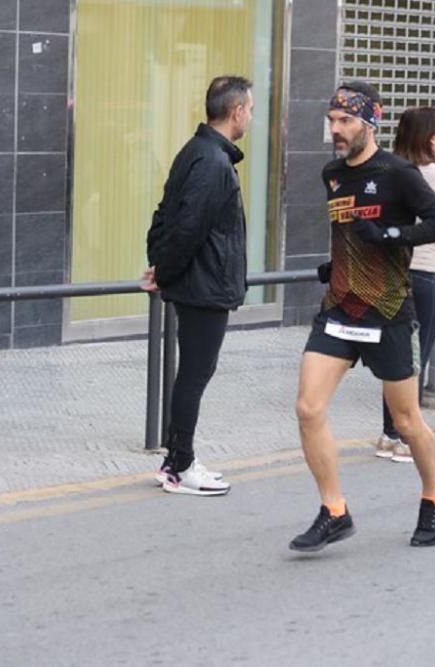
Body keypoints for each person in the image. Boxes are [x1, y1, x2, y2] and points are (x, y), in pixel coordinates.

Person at [290, 82, 435, 552]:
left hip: (387, 310)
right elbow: (345, 230)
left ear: (370, 122)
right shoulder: (332, 175)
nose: (335, 129)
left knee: (405, 421)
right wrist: (336, 263)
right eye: (332, 120)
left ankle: (433, 496)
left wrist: (390, 234)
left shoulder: (399, 173)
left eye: (345, 122)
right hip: (340, 308)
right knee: (307, 408)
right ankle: (334, 510)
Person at [141, 75, 255, 496]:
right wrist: (164, 270)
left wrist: (159, 265)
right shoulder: (212, 161)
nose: (251, 118)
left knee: (191, 372)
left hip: (196, 283)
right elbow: (186, 226)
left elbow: (164, 215)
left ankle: (178, 458)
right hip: (203, 287)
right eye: (251, 110)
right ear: (237, 111)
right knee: (194, 374)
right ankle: (180, 466)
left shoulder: (196, 151)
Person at [373, 107, 435, 464]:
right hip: (426, 273)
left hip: (391, 272)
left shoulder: (388, 169)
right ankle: (405, 437)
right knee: (415, 359)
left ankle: (390, 434)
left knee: (395, 356)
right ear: (431, 137)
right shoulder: (432, 174)